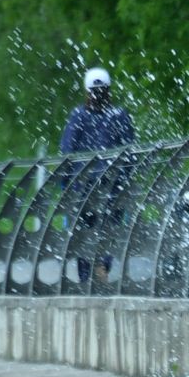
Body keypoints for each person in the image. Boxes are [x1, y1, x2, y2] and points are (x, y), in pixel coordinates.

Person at [59, 67, 136, 286]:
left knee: (84, 230)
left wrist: (65, 183)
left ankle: (87, 277)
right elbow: (129, 152)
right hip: (112, 187)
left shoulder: (79, 116)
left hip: (83, 188)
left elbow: (67, 151)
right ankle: (102, 267)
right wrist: (124, 180)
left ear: (87, 92)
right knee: (108, 228)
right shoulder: (119, 115)